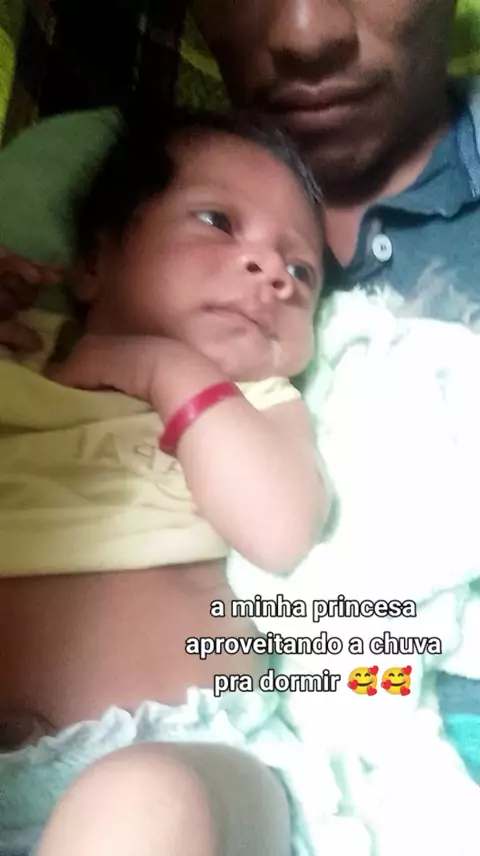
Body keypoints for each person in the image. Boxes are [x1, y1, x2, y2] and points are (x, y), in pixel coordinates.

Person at [0, 108, 328, 855]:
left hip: (186, 757)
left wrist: (165, 369)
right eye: (218, 221)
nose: (274, 271)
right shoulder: (18, 354)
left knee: (141, 804)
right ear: (94, 261)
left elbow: (280, 531)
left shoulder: (257, 403)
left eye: (303, 271)